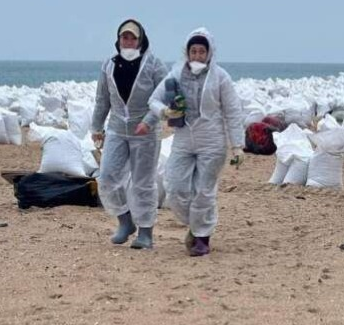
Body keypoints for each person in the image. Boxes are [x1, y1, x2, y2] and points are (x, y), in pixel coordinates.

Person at [150, 28, 245, 257]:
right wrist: (165, 112)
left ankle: (202, 237)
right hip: (183, 139)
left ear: (209, 53)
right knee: (174, 187)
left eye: (202, 51)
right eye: (194, 51)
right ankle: (194, 224)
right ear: (187, 52)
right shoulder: (175, 75)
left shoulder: (221, 77)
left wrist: (238, 145)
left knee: (204, 191)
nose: (198, 56)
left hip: (212, 141)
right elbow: (153, 100)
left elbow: (233, 111)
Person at [90, 19, 169, 249]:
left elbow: (163, 98)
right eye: (124, 37)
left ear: (140, 40)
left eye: (133, 37)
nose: (128, 41)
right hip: (116, 129)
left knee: (143, 183)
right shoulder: (109, 65)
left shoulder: (154, 65)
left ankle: (145, 232)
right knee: (107, 177)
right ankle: (125, 222)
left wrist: (149, 121)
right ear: (118, 40)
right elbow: (102, 99)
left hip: (144, 131)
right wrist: (97, 128)